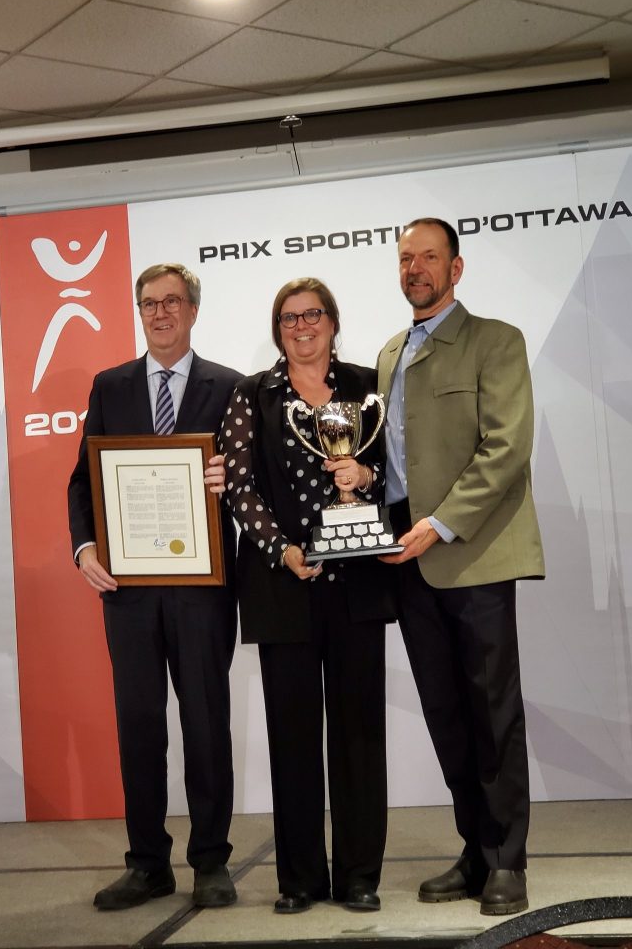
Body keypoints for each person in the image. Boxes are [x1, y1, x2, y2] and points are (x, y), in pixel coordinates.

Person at [378, 218, 545, 916]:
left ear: (457, 268)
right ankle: (474, 851)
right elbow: (391, 461)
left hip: (473, 557)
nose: (416, 268)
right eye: (406, 258)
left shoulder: (496, 341)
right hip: (409, 566)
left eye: (429, 257)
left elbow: (506, 450)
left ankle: (509, 860)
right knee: (447, 714)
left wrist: (438, 524)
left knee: (492, 713)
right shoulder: (389, 353)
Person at [68, 263, 242, 911]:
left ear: (193, 310)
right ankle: (147, 864)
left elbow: (249, 482)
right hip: (130, 591)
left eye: (171, 302)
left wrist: (232, 480)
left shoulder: (230, 387)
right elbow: (84, 480)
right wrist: (85, 546)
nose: (160, 313)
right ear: (139, 312)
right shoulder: (109, 386)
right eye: (149, 304)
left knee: (206, 725)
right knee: (139, 726)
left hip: (204, 589)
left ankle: (210, 862)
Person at [220, 278, 395, 915]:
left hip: (357, 587)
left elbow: (398, 466)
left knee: (358, 734)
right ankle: (298, 878)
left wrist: (366, 474)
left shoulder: (364, 385)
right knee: (293, 739)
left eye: (313, 314)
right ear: (277, 328)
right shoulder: (252, 394)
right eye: (290, 317)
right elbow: (238, 483)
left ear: (332, 321)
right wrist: (282, 550)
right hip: (282, 587)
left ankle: (359, 875)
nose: (302, 326)